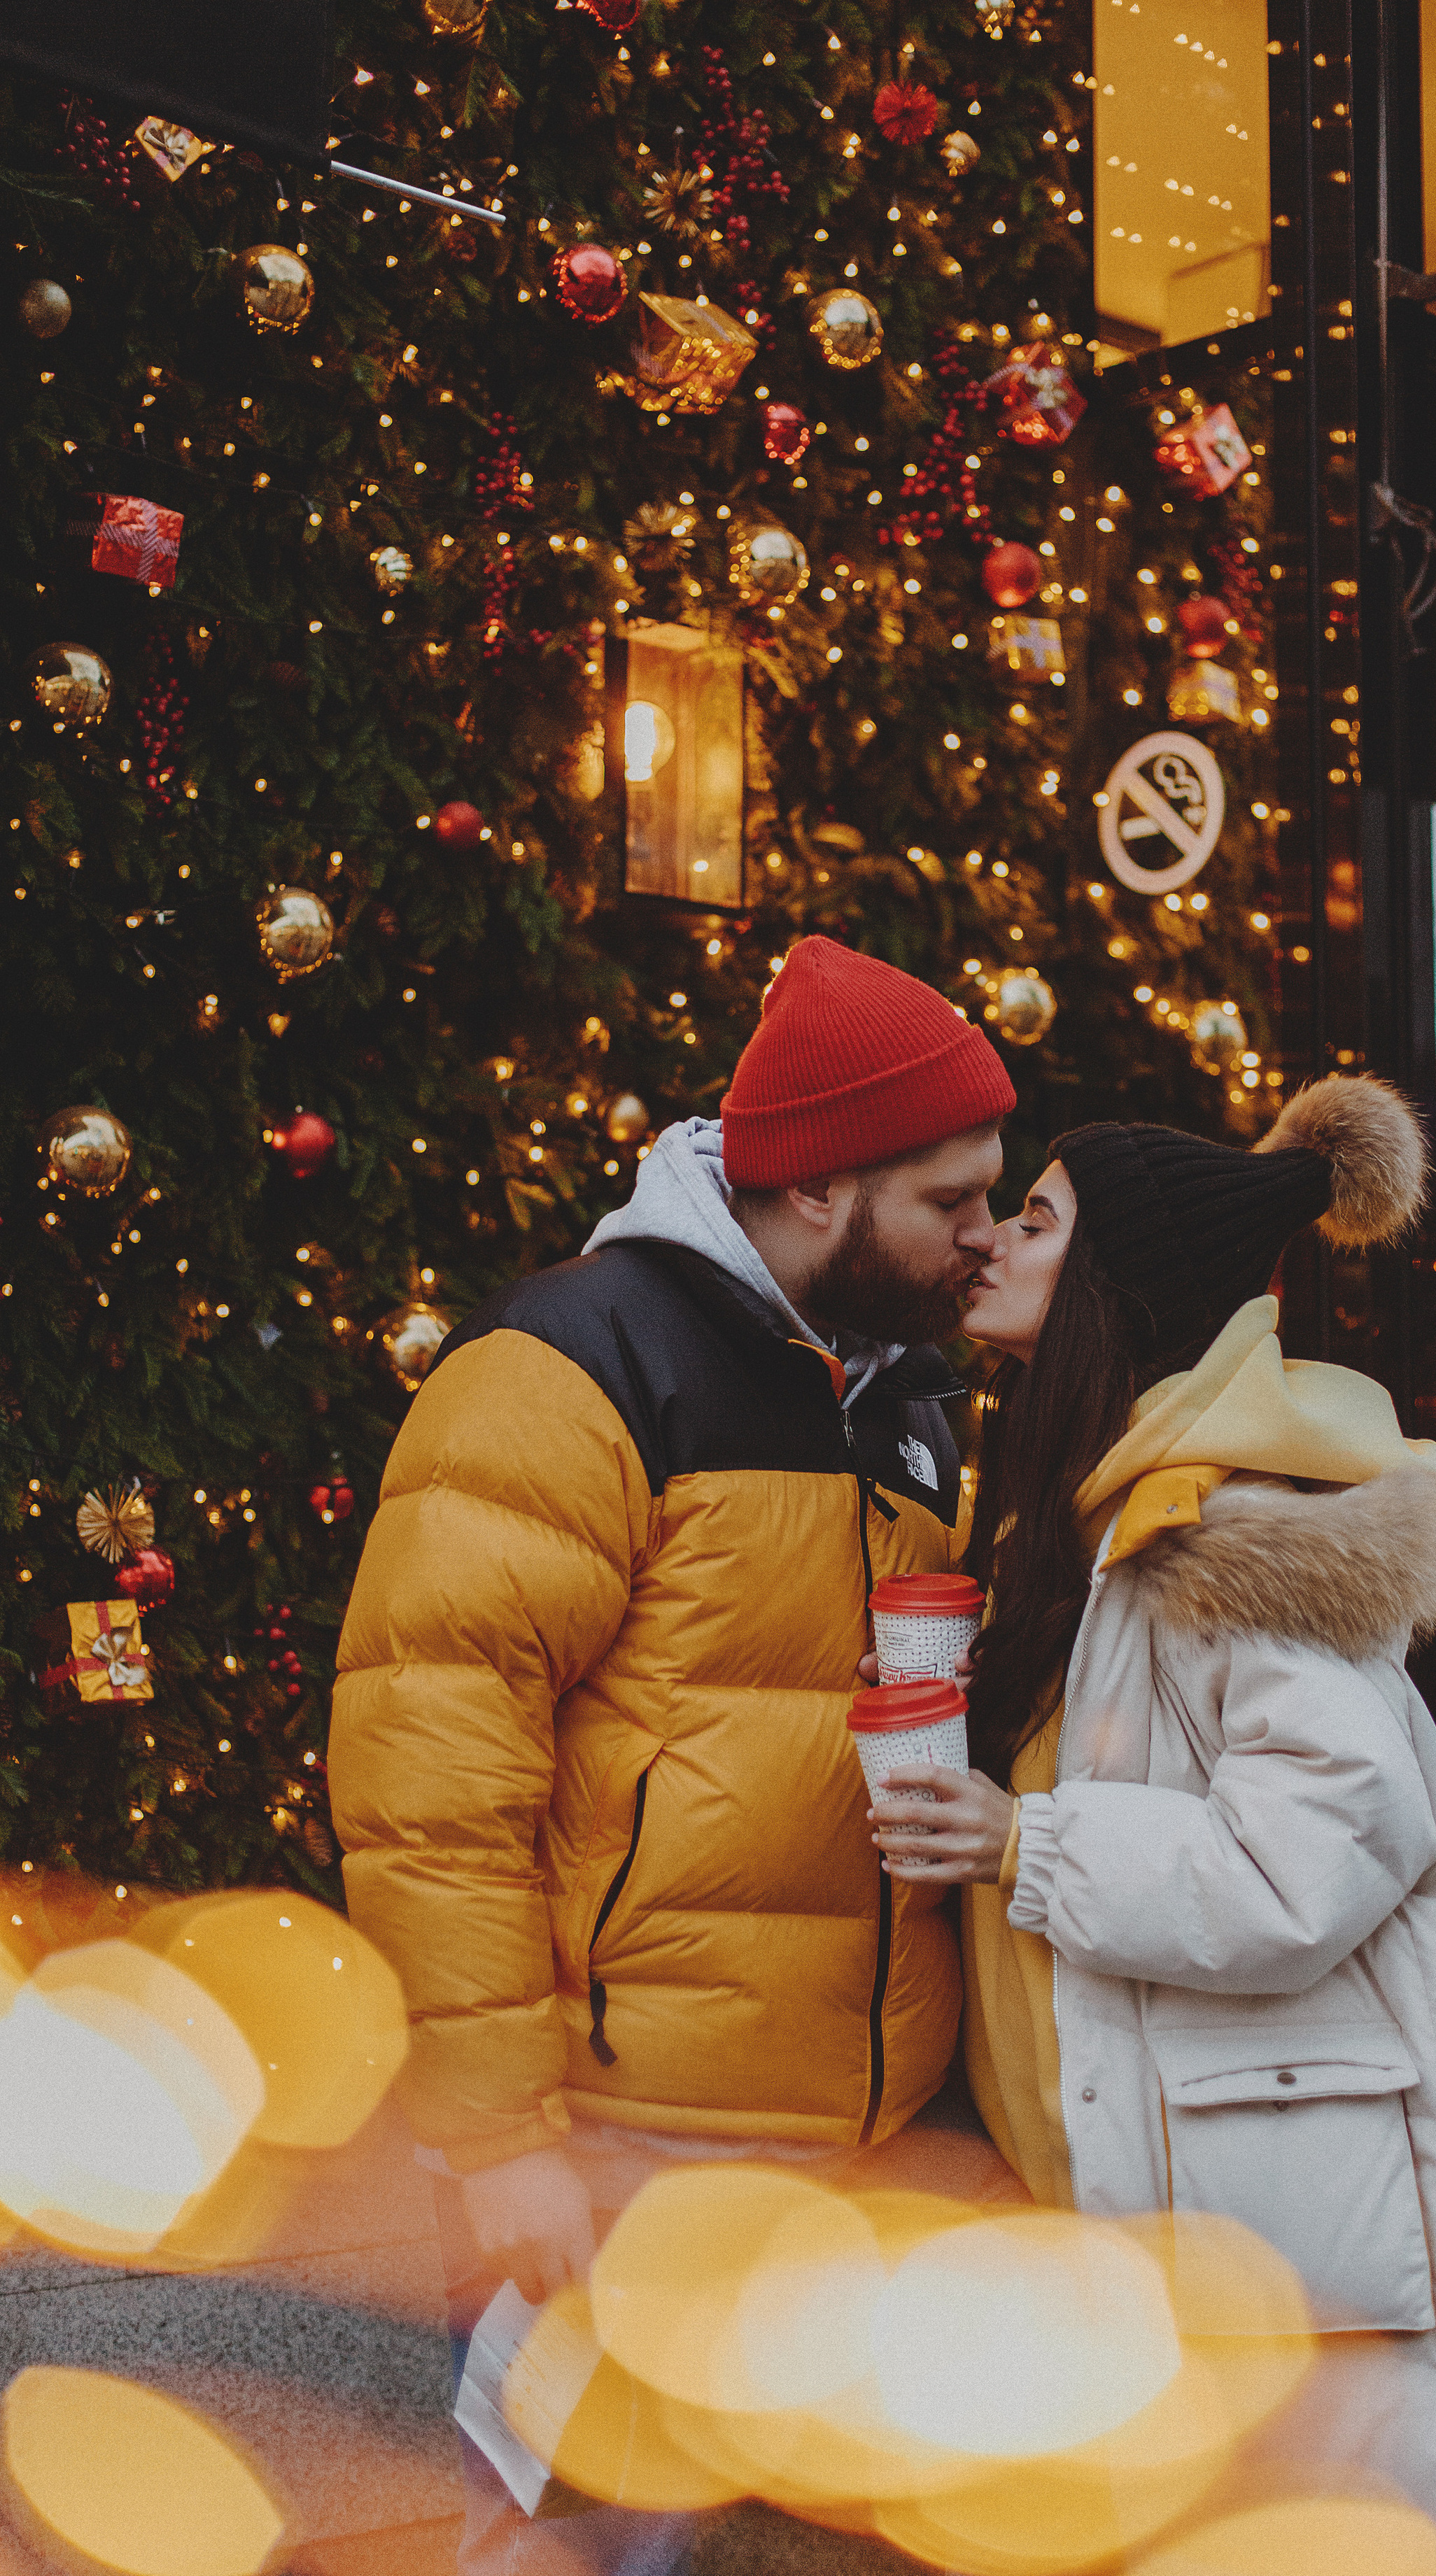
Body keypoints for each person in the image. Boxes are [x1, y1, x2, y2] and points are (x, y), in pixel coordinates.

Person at [329, 936, 1022, 2573]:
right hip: (616, 2142)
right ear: (823, 1190)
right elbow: (430, 1774)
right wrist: (497, 2141)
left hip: (855, 2139)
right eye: (953, 1199)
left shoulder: (910, 1398)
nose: (986, 1233)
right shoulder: (570, 1366)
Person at [868, 1076, 1436, 2576]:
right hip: (1195, 2220)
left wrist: (1026, 1842)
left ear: (1114, 1286)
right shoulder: (1077, 1535)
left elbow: (1313, 1861)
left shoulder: (1230, 1540)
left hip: (1312, 2236)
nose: (992, 1246)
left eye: (1034, 1220)